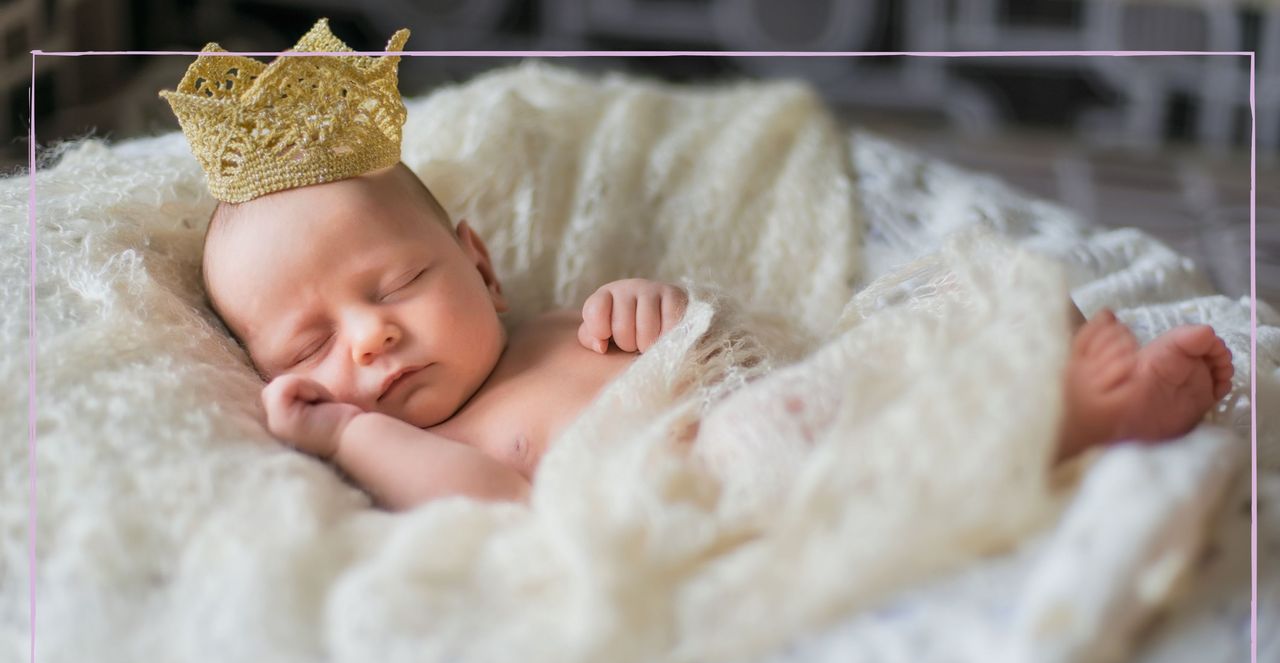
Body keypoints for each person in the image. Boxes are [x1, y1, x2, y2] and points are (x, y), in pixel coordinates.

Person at [166, 20, 1235, 511]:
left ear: (478, 264)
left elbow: (730, 342)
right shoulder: (422, 442)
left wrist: (666, 310)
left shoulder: (554, 323)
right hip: (731, 481)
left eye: (394, 283)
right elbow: (487, 503)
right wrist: (351, 430)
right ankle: (1068, 424)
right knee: (809, 457)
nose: (372, 336)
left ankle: (1022, 372)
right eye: (313, 345)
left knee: (972, 288)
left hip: (797, 386)